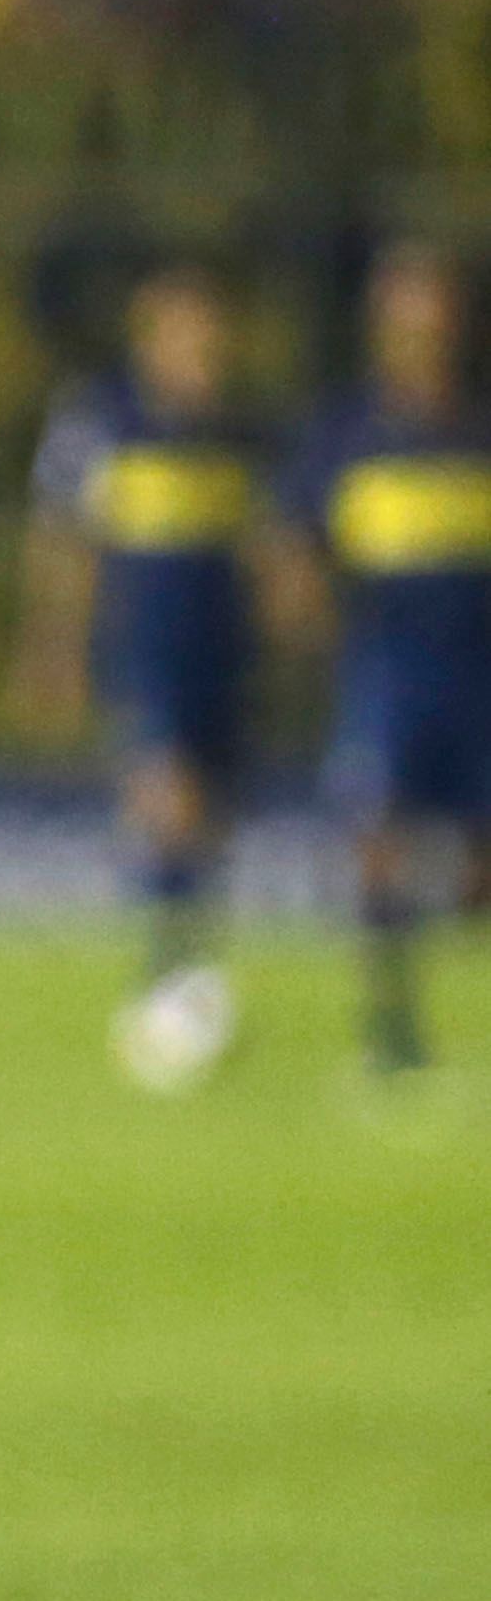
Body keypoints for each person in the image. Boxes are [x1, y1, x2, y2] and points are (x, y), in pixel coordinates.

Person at [15, 264, 268, 1091]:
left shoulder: (239, 429)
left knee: (210, 817)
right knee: (167, 796)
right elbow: (63, 539)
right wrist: (54, 652)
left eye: (208, 328)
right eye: (183, 327)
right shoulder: (106, 420)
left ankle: (184, 964)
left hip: (223, 656)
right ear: (149, 334)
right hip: (143, 651)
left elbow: (267, 542)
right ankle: (168, 974)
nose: (200, 346)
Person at [281, 241, 491, 1077]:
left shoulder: (478, 429)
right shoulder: (349, 432)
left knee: (479, 870)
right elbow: (293, 537)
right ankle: (391, 1030)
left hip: (478, 671)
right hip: (387, 669)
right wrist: (310, 616)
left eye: (434, 315)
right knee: (381, 840)